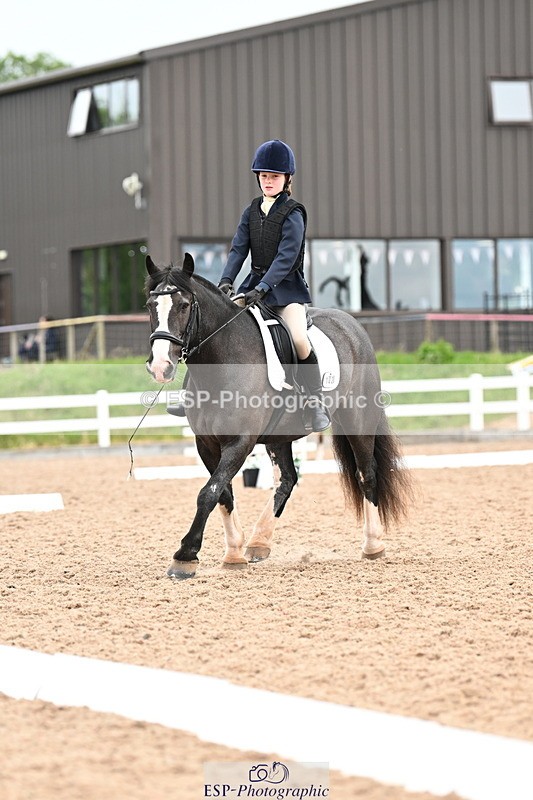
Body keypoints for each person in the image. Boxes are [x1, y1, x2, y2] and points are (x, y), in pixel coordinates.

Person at [217, 138, 330, 433]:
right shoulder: (251, 211)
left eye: (274, 176)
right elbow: (238, 250)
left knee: (299, 338)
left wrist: (265, 287)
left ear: (286, 178)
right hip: (253, 286)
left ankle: (315, 401)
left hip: (286, 290)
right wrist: (226, 280)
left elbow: (286, 257)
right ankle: (195, 394)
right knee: (219, 328)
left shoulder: (294, 213)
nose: (268, 181)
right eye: (264, 176)